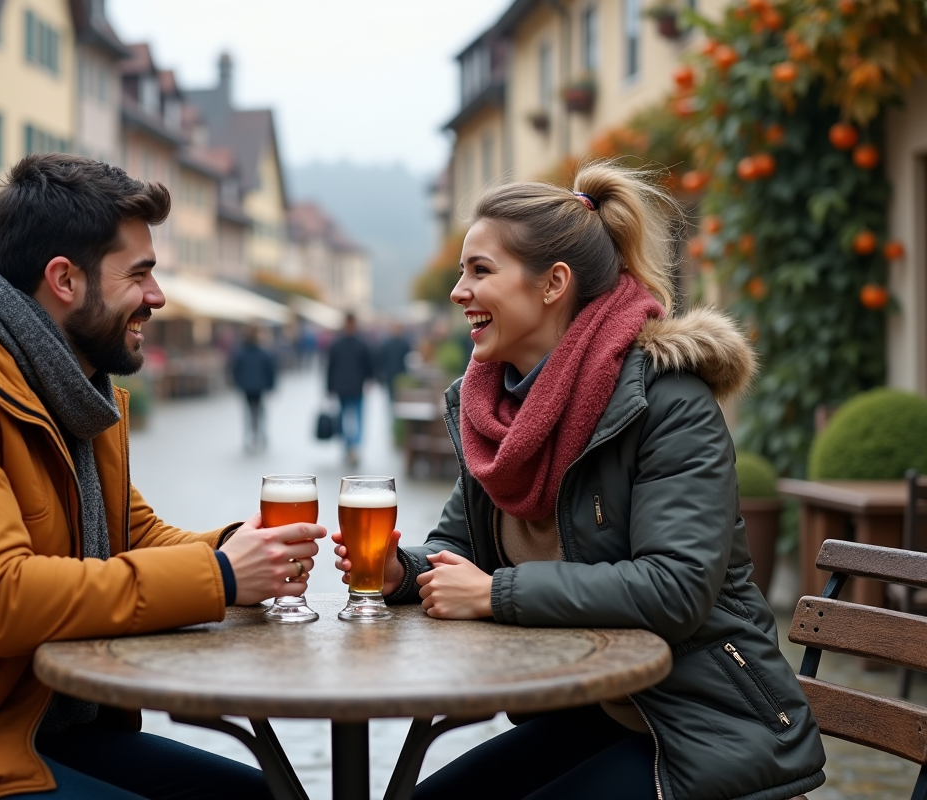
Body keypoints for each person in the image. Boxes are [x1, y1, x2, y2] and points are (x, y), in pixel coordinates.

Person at [0, 154, 325, 800]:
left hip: (25, 727)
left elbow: (132, 536)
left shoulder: (66, 386)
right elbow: (0, 597)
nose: (156, 297)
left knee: (265, 794)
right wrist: (223, 575)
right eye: (140, 274)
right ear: (64, 280)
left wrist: (242, 544)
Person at [332, 163, 826, 800]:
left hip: (705, 728)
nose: (458, 291)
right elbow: (459, 553)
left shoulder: (665, 401)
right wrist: (402, 570)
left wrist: (496, 594)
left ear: (552, 284)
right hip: (592, 710)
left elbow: (675, 589)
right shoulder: (495, 414)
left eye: (480, 270)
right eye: (462, 271)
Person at [325, 312, 373, 466]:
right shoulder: (361, 343)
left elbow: (330, 368)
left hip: (343, 387)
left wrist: (329, 387)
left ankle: (350, 446)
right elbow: (368, 366)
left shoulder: (337, 344)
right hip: (355, 386)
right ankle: (353, 446)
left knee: (345, 418)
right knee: (356, 418)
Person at [230, 324, 277, 451]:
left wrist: (236, 383)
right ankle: (260, 434)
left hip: (246, 386)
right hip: (260, 386)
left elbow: (235, 370)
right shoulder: (264, 352)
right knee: (259, 410)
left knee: (248, 411)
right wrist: (272, 386)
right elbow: (270, 370)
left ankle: (249, 435)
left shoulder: (241, 352)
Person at [377, 323, 413, 400]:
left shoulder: (404, 343)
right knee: (392, 395)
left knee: (399, 395)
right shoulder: (387, 343)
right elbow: (382, 359)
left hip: (399, 374)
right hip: (391, 373)